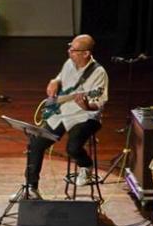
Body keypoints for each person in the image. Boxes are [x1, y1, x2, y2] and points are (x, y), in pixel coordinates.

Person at [24, 34, 109, 197]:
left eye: (74, 50)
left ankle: (86, 166)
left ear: (86, 53)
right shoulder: (70, 63)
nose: (69, 52)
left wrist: (86, 105)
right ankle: (31, 187)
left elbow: (97, 104)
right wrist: (55, 81)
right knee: (36, 143)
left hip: (86, 116)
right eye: (70, 48)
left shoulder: (99, 73)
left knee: (73, 147)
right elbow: (61, 78)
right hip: (64, 112)